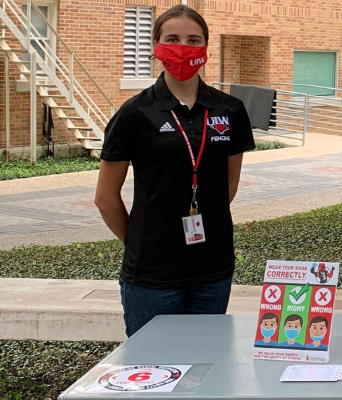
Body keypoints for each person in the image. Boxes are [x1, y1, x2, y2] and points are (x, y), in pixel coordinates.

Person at [94, 4, 255, 337]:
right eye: (173, 38)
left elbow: (229, 186)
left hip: (213, 269)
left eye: (194, 39)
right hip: (152, 275)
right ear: (157, 47)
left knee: (205, 367)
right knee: (152, 371)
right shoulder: (135, 113)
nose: (184, 47)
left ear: (206, 49)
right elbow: (105, 198)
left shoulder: (230, 110)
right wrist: (142, 242)